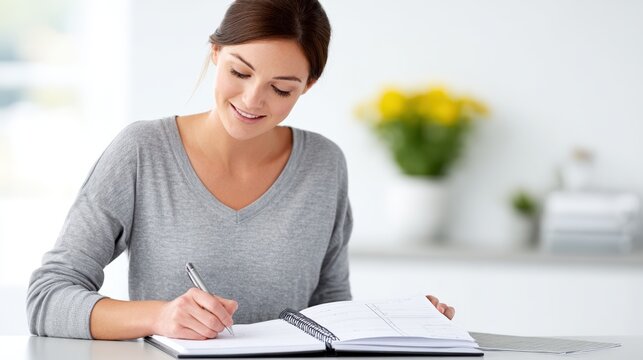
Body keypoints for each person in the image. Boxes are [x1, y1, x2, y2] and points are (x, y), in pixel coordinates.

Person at [26, 0, 455, 341]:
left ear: (308, 85)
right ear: (215, 52)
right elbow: (48, 298)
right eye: (240, 72)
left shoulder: (324, 165)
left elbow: (330, 311)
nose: (252, 100)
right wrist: (160, 317)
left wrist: (400, 323)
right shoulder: (142, 152)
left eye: (281, 88)